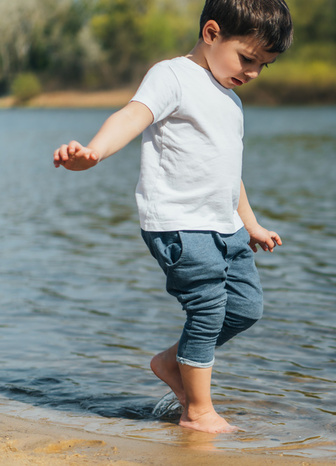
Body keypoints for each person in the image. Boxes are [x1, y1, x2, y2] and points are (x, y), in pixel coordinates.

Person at [52, 0, 293, 434]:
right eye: (248, 58)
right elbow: (131, 116)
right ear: (212, 33)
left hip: (227, 226)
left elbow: (228, 174)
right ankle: (197, 412)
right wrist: (94, 153)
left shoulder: (232, 101)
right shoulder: (172, 76)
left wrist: (251, 224)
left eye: (265, 66)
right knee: (207, 307)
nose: (253, 72)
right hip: (180, 223)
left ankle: (171, 361)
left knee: (245, 307)